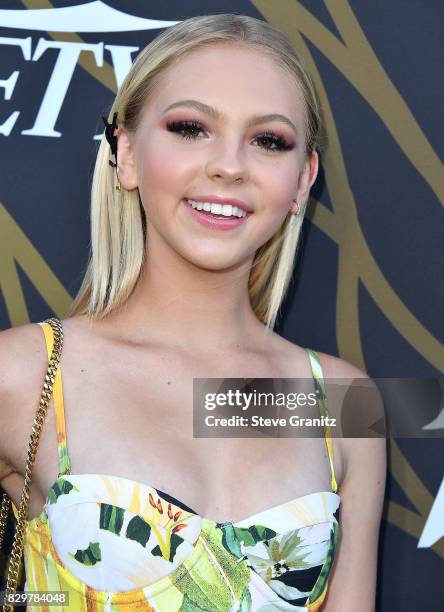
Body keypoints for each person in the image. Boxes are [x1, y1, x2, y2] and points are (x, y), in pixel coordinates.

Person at [0, 13, 386, 612]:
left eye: (268, 140)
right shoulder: (22, 374)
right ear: (126, 153)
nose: (229, 166)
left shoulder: (343, 402)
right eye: (191, 128)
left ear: (303, 179)